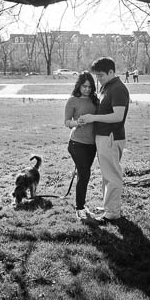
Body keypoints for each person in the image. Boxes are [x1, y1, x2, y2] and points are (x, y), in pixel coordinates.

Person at [79, 57, 129, 222]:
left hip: (111, 138)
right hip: (103, 137)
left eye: (100, 75)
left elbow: (118, 116)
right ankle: (109, 206)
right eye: (97, 76)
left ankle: (112, 213)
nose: (98, 79)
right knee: (106, 174)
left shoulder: (118, 89)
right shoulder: (108, 87)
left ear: (111, 72)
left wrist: (93, 118)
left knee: (112, 175)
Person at [64, 72, 99, 222]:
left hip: (92, 145)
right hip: (76, 143)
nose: (87, 89)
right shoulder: (73, 100)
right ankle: (80, 209)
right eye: (84, 86)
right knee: (84, 175)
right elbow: (66, 122)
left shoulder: (94, 100)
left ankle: (81, 206)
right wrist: (77, 122)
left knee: (83, 174)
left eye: (90, 87)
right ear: (79, 85)